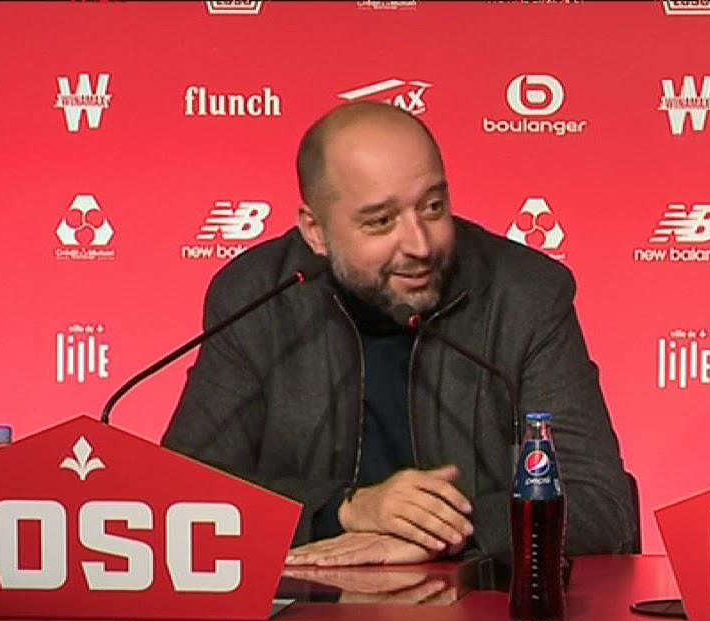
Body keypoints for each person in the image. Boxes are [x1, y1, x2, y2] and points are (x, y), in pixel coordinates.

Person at [162, 101, 636, 566]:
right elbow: (186, 493)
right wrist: (346, 509)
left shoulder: (523, 295)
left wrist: (444, 531)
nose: (420, 245)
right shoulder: (258, 295)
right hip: (308, 605)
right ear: (315, 231)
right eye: (380, 221)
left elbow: (599, 503)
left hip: (479, 606)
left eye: (433, 207)